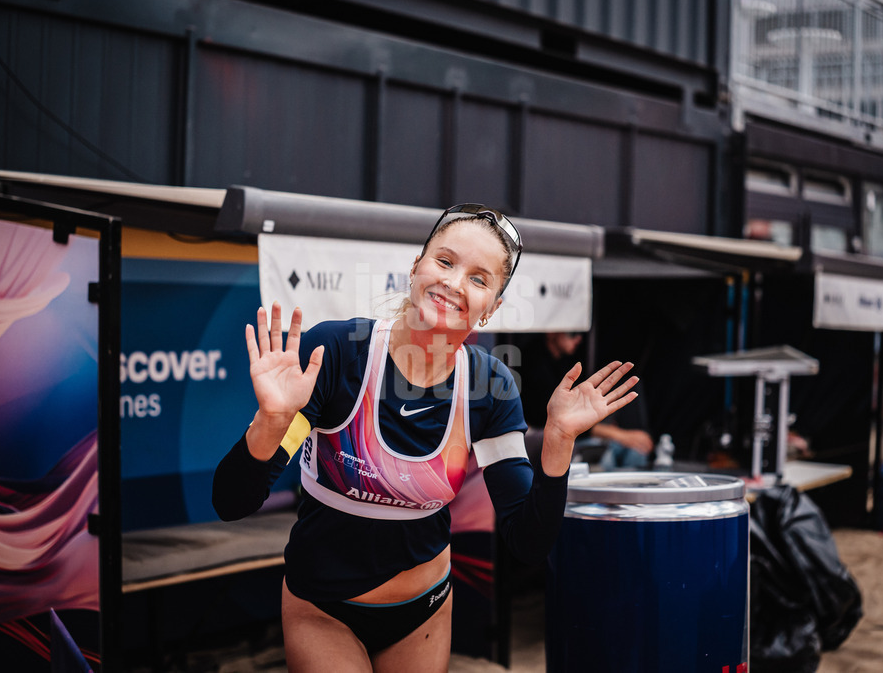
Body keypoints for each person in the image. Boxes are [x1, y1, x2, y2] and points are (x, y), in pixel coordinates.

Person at [211, 204, 640, 672]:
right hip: (321, 608)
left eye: (479, 279)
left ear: (491, 308)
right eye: (445, 261)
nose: (455, 284)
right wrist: (272, 421)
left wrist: (557, 440)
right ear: (416, 268)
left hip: (423, 613)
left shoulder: (491, 388)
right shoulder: (336, 353)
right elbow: (232, 502)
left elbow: (526, 542)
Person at [519, 331, 652, 470]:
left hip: (575, 434)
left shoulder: (564, 361)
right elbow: (551, 419)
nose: (579, 338)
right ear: (552, 332)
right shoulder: (533, 364)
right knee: (609, 455)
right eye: (572, 333)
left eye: (580, 332)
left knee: (635, 451)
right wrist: (619, 435)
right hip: (554, 437)